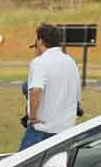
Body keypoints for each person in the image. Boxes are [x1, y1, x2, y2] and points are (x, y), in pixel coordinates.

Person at [19, 23, 81, 151]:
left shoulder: (39, 63)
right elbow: (76, 94)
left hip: (42, 129)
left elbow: (35, 90)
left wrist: (32, 118)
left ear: (40, 40)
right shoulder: (70, 61)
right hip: (66, 129)